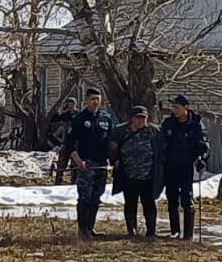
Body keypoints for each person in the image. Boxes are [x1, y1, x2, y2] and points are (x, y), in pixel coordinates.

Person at [61, 88, 116, 239]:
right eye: (92, 99)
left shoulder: (106, 118)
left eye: (98, 99)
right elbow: (69, 145)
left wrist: (114, 158)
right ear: (86, 100)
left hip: (101, 164)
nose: (95, 102)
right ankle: (82, 230)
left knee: (96, 198)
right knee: (84, 198)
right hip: (85, 164)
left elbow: (111, 142)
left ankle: (90, 229)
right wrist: (78, 161)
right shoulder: (78, 119)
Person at [107, 105, 164, 238]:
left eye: (143, 118)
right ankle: (131, 229)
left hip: (148, 177)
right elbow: (111, 147)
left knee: (149, 203)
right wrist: (114, 159)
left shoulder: (154, 131)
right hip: (128, 176)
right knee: (130, 203)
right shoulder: (121, 131)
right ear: (132, 119)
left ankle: (151, 230)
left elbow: (162, 149)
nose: (141, 121)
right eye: (138, 118)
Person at [159, 94, 209, 239]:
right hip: (170, 166)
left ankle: (188, 234)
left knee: (187, 199)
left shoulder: (196, 124)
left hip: (186, 166)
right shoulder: (169, 123)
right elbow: (162, 142)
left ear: (185, 108)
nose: (174, 110)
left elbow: (204, 145)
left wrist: (202, 159)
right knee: (172, 198)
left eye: (177, 107)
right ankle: (174, 231)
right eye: (173, 107)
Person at [46, 97, 78, 184]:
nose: (71, 106)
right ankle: (58, 180)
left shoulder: (78, 115)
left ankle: (74, 181)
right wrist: (61, 112)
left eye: (73, 104)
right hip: (66, 142)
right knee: (62, 163)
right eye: (69, 104)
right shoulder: (65, 115)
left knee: (75, 164)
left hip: (76, 143)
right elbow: (54, 119)